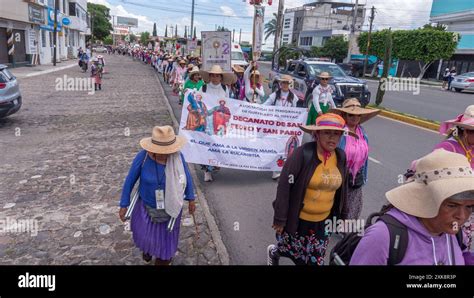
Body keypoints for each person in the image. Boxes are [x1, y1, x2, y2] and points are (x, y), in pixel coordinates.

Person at [350, 149, 474, 265]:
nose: (462, 216)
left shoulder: (454, 234)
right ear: (427, 199)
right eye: (452, 205)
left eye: (469, 207)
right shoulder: (382, 236)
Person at [267, 113, 356, 265]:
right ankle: (274, 252)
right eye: (327, 133)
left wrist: (343, 216)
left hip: (323, 222)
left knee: (314, 260)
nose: (332, 138)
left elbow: (343, 191)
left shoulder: (341, 156)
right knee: (290, 250)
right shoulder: (302, 153)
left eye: (336, 134)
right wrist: (280, 219)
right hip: (298, 219)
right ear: (317, 133)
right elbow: (284, 186)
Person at [119, 126, 196, 265]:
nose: (164, 154)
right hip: (146, 207)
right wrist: (124, 204)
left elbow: (186, 177)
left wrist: (191, 198)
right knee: (146, 236)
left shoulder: (178, 158)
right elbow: (130, 179)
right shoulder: (143, 157)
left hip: (170, 207)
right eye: (160, 151)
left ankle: (163, 258)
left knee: (166, 241)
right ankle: (148, 249)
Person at [329, 98, 380, 219]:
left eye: (358, 115)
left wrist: (364, 175)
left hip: (356, 175)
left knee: (353, 205)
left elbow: (365, 157)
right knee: (336, 202)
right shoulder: (339, 132)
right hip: (340, 174)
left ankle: (346, 229)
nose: (355, 117)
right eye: (351, 114)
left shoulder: (362, 132)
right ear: (344, 115)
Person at [198, 65, 236, 182]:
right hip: (208, 121)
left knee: (218, 145)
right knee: (207, 145)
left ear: (221, 77)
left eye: (217, 76)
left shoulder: (225, 89)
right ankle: (207, 171)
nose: (215, 78)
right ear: (209, 76)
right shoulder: (203, 88)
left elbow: (229, 104)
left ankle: (215, 164)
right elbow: (199, 101)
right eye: (212, 75)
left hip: (220, 122)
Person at [263, 75, 299, 180]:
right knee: (275, 146)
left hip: (287, 127)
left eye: (287, 83)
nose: (285, 85)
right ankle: (274, 169)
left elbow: (296, 112)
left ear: (289, 84)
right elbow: (266, 105)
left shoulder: (293, 97)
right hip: (275, 126)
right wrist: (255, 107)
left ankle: (279, 170)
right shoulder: (275, 95)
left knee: (284, 148)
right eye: (283, 83)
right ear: (280, 84)